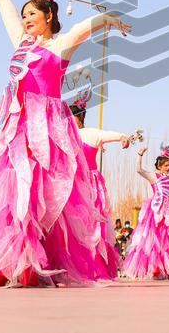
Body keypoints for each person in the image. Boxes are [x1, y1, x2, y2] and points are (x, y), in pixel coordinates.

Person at [0, 0, 130, 287]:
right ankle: (15, 261)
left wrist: (109, 19)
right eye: (25, 14)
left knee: (50, 196)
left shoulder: (59, 47)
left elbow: (83, 29)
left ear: (48, 16)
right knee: (19, 192)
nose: (26, 19)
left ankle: (46, 260)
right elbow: (8, 16)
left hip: (50, 131)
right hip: (18, 127)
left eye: (32, 14)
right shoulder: (20, 43)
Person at [68, 87, 133, 280]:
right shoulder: (62, 134)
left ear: (78, 118)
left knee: (94, 225)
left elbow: (112, 134)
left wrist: (123, 138)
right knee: (72, 225)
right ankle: (72, 265)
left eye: (71, 118)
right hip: (71, 183)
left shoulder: (90, 133)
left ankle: (93, 265)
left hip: (90, 184)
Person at [122, 145, 169, 279]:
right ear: (159, 165)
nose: (167, 168)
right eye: (165, 165)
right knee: (154, 240)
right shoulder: (154, 176)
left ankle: (168, 269)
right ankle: (155, 269)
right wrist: (139, 155)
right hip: (156, 212)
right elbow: (139, 170)